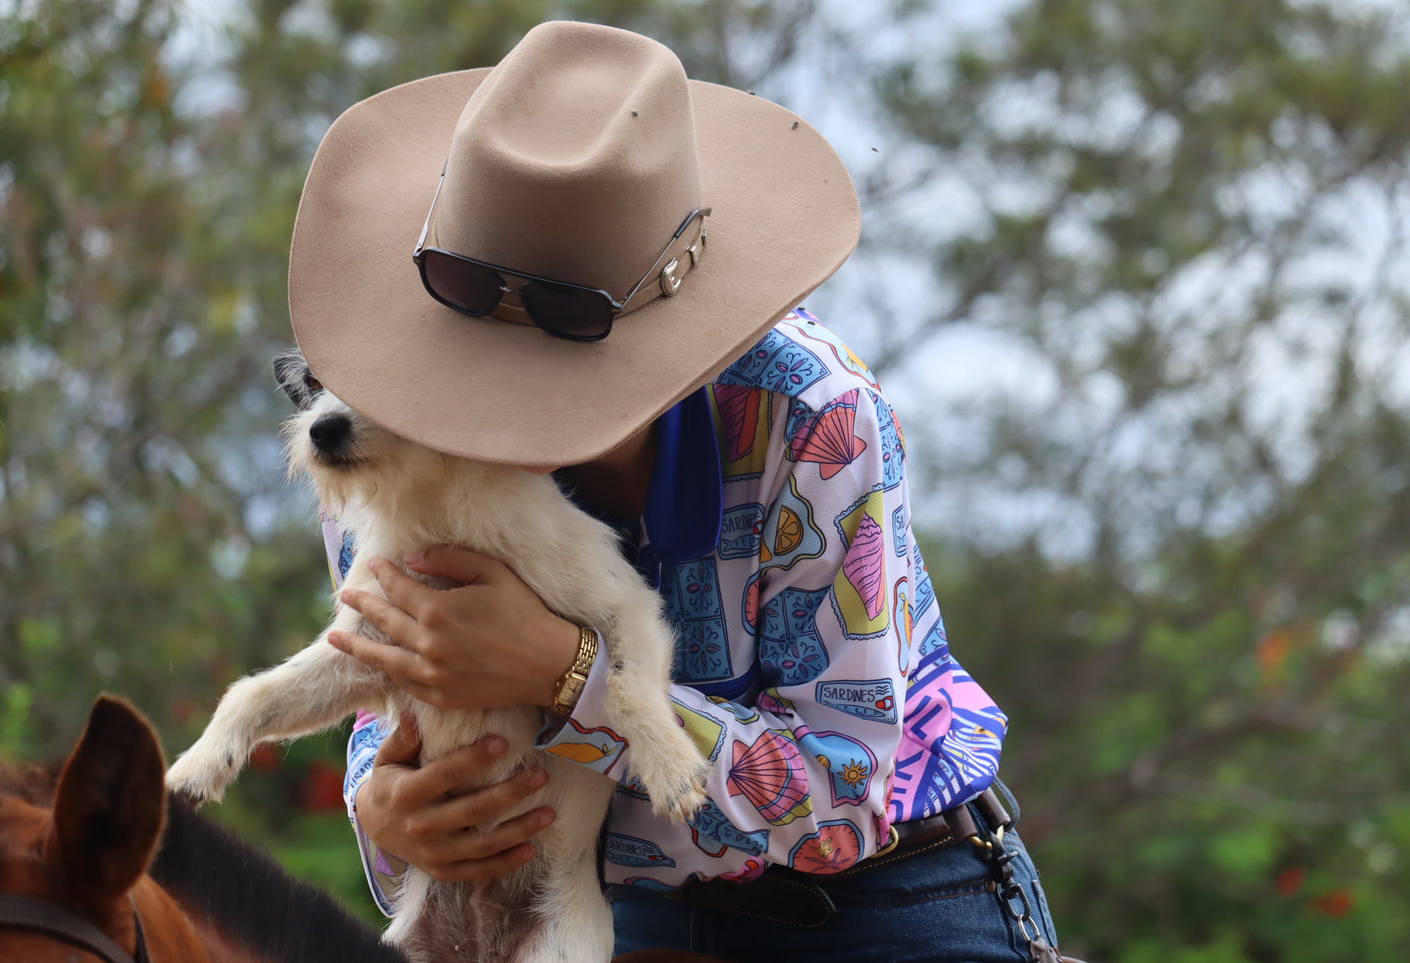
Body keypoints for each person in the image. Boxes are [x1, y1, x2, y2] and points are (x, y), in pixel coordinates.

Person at [286, 19, 1065, 963]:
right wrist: (389, 807)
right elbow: (384, 700)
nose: (479, 409)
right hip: (606, 907)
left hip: (880, 903)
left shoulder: (813, 421)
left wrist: (570, 677)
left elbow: (846, 791)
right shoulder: (373, 436)